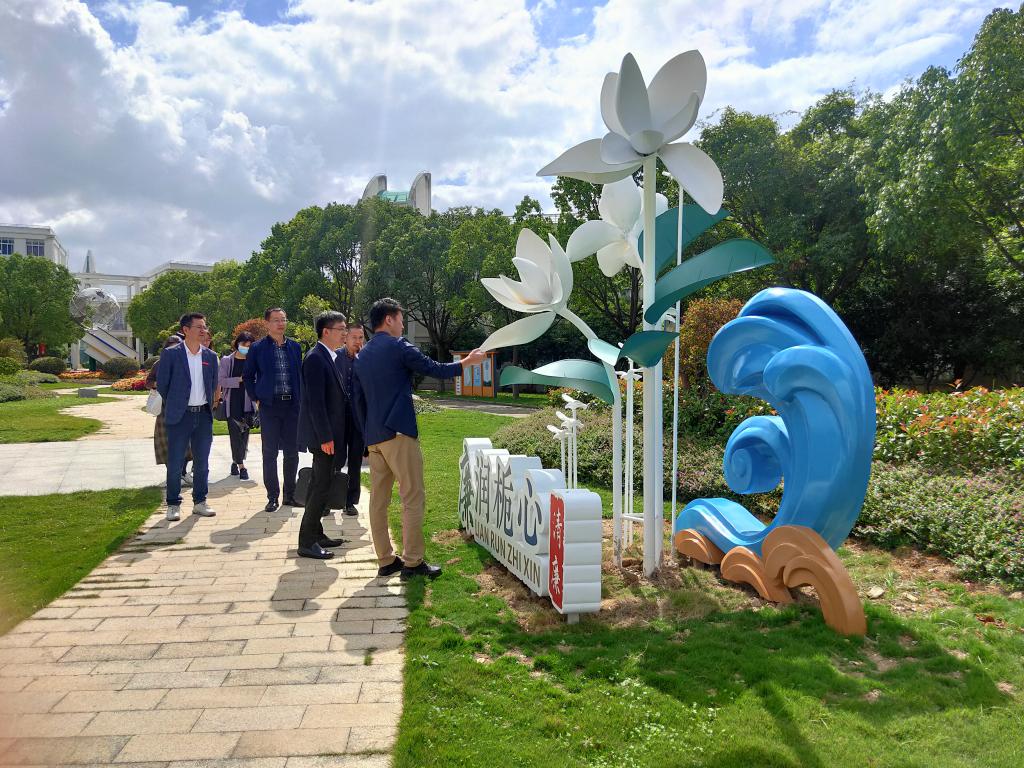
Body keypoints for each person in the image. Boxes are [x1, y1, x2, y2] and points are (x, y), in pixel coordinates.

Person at [353, 298, 485, 580]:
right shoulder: (398, 346)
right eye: (401, 319)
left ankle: (386, 560)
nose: (403, 325)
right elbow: (435, 369)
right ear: (389, 319)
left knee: (378, 501)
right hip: (399, 433)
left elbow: (358, 401)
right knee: (412, 496)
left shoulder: (362, 355)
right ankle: (413, 563)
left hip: (374, 438)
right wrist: (468, 362)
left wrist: (366, 438)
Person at [295, 311, 350, 559]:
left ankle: (316, 534)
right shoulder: (316, 358)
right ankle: (307, 541)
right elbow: (315, 403)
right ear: (326, 331)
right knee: (320, 487)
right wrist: (326, 437)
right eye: (341, 329)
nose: (345, 333)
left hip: (328, 434)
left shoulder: (330, 356)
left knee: (320, 484)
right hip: (322, 436)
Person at [156, 312, 219, 522]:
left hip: (203, 416)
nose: (203, 330)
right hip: (180, 416)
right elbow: (163, 385)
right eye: (199, 327)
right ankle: (173, 504)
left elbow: (213, 384)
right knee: (175, 462)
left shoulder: (210, 356)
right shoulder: (171, 354)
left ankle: (200, 502)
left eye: (204, 326)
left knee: (202, 463)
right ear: (186, 330)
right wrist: (177, 403)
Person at [243, 308, 302, 512]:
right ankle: (272, 496)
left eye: (283, 319)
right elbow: (248, 376)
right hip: (269, 406)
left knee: (292, 453)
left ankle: (290, 495)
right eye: (276, 320)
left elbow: (299, 376)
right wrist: (256, 398)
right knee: (270, 453)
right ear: (267, 323)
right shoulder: (257, 348)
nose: (281, 323)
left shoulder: (295, 347)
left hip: (292, 406)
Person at [336, 322, 365, 516]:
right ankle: (330, 498)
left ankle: (350, 501)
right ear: (345, 337)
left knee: (355, 462)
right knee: (336, 461)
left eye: (361, 337)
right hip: (338, 418)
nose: (357, 341)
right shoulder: (334, 357)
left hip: (357, 418)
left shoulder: (366, 360)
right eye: (354, 337)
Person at [219, 331, 256, 480]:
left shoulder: (253, 361)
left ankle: (235, 461)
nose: (246, 347)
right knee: (235, 434)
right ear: (237, 344)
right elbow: (221, 381)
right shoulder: (227, 361)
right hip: (233, 402)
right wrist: (239, 379)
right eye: (243, 344)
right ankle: (242, 466)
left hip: (248, 402)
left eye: (249, 345)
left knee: (244, 435)